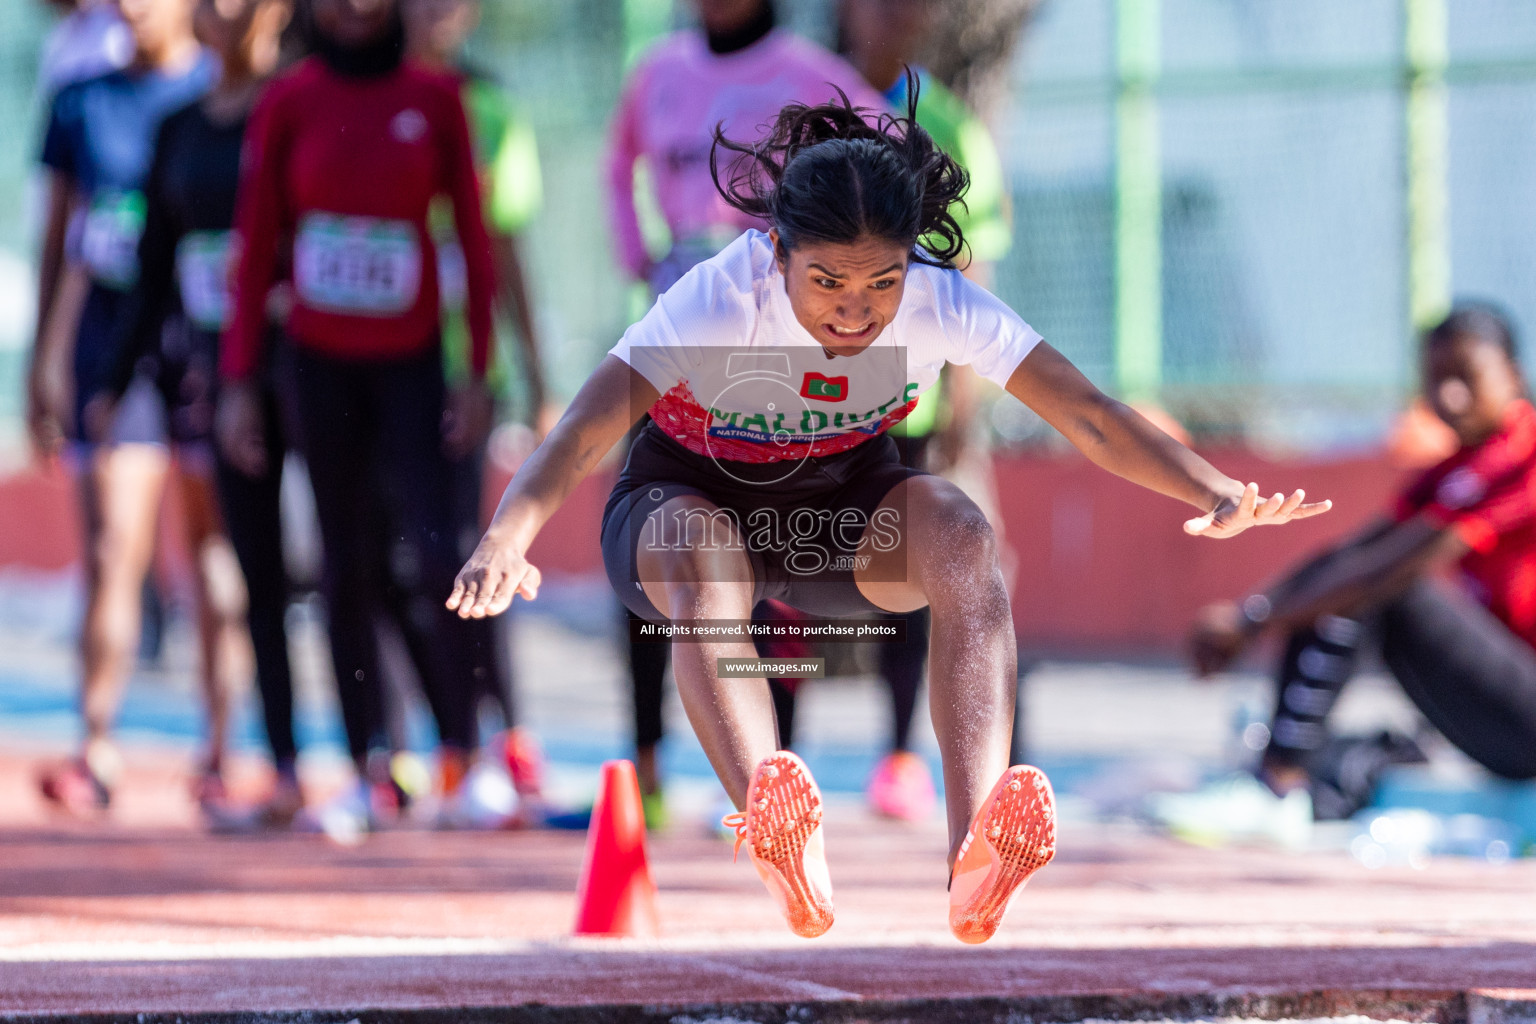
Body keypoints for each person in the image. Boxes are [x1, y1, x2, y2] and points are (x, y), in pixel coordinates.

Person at [451, 84, 1329, 942]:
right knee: (710, 558)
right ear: (776, 251)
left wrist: (1211, 488)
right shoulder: (723, 296)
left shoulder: (937, 303)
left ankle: (977, 851)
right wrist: (506, 536)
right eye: (826, 280)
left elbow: (1091, 416)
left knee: (961, 534)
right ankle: (776, 826)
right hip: (679, 511)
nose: (855, 308)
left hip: (835, 520)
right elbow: (582, 431)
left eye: (881, 281)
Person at [604, 0, 887, 828]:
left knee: (777, 567)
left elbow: (893, 159)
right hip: (675, 348)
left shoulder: (810, 72)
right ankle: (648, 767)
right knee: (654, 547)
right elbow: (613, 168)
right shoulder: (655, 71)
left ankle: (781, 771)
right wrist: (641, 255)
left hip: (775, 361)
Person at [220, 0, 498, 834]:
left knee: (434, 550)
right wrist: (238, 378)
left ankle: (463, 756)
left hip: (412, 365)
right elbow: (256, 236)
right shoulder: (290, 101)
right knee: (343, 563)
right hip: (316, 363)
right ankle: (367, 762)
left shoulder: (436, 99)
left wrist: (476, 369)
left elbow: (476, 242)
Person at [86, 0, 304, 826]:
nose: (219, 10)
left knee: (369, 561)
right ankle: (276, 764)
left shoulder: (300, 101)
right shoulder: (179, 127)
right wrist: (109, 380)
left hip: (312, 364)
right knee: (251, 564)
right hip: (218, 372)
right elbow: (152, 267)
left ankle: (397, 756)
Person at [1189, 304, 1536, 820]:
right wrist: (1248, 612)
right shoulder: (1451, 469)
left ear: (1512, 375)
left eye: (1466, 378)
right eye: (1436, 380)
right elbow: (1354, 552)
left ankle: (1279, 783)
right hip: (1510, 719)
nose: (1449, 397)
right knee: (1350, 580)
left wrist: (1254, 625)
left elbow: (1392, 568)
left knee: (1380, 588)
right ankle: (1280, 776)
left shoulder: (1524, 456)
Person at [28, 0, 224, 815]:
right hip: (111, 348)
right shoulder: (80, 101)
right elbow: (59, 242)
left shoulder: (226, 95)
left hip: (206, 347)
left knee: (219, 553)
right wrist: (44, 359)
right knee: (114, 545)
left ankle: (221, 749)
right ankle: (95, 745)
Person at [836, 0, 1018, 822]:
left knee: (917, 578)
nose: (899, 14)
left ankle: (904, 758)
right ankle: (773, 757)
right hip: (807, 399)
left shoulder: (946, 122)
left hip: (907, 403)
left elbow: (972, 270)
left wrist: (964, 398)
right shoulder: (808, 102)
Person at [401, 0, 551, 813]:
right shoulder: (350, 91)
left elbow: (506, 245)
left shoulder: (488, 107)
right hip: (370, 367)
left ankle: (503, 737)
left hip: (464, 369)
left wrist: (530, 365)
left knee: (464, 551)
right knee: (385, 561)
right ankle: (430, 743)